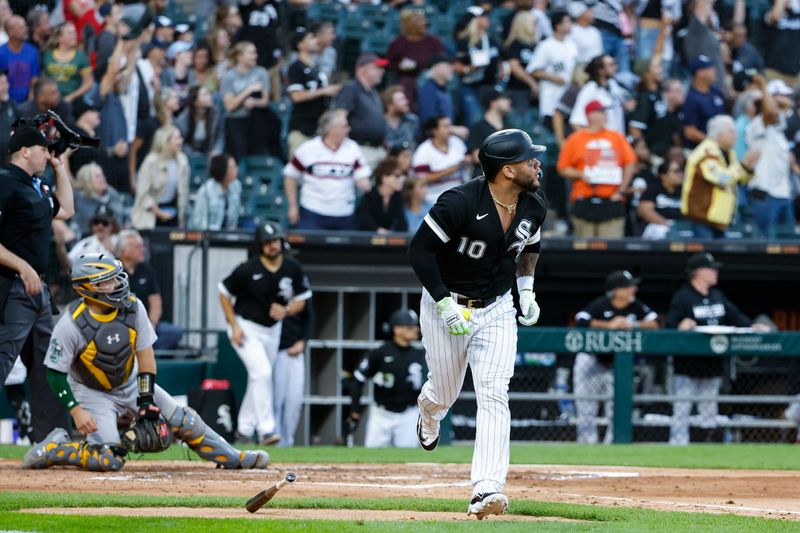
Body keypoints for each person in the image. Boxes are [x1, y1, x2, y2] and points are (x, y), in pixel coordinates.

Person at [21, 253, 269, 471]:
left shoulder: (133, 307)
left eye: (116, 278)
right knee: (107, 459)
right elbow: (54, 373)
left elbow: (146, 356)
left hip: (129, 381)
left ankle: (233, 457)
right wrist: (76, 410)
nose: (116, 284)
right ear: (87, 288)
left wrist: (147, 400)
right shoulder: (71, 323)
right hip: (91, 391)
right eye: (106, 281)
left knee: (185, 420)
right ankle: (57, 448)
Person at [408, 129, 547, 519]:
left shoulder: (534, 201)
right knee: (445, 392)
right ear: (506, 170)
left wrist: (527, 289)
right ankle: (429, 411)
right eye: (528, 159)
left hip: (498, 307)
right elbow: (419, 251)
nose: (536, 163)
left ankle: (486, 487)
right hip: (447, 303)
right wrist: (441, 301)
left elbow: (530, 244)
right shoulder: (459, 202)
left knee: (493, 392)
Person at [0, 124, 74, 442]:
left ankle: (54, 439)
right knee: (2, 359)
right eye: (45, 149)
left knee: (49, 366)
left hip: (38, 291)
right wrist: (22, 267)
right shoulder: (4, 182)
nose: (49, 154)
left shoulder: (38, 187)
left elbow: (67, 210)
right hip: (12, 287)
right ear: (25, 151)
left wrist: (60, 166)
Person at [219, 221, 312, 446]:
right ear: (261, 245)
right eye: (268, 242)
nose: (272, 245)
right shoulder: (248, 268)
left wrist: (287, 309)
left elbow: (302, 300)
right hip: (247, 327)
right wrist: (234, 325)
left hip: (273, 329)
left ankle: (243, 429)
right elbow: (223, 293)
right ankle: (266, 430)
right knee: (262, 373)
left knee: (258, 378)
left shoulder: (292, 268)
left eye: (276, 241)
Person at [666, 253, 770, 445]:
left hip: (712, 362)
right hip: (687, 364)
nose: (716, 272)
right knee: (682, 407)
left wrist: (752, 325)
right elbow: (670, 325)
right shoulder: (683, 296)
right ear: (699, 272)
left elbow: (735, 316)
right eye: (711, 269)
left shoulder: (717, 295)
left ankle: (707, 443)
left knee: (709, 407)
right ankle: (677, 444)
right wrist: (681, 324)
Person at [573, 270, 659, 444]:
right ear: (617, 290)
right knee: (586, 407)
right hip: (591, 361)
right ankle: (586, 445)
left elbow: (655, 323)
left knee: (617, 408)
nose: (633, 289)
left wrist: (632, 323)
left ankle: (612, 445)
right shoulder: (601, 304)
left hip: (617, 365)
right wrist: (609, 325)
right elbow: (580, 319)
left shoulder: (636, 306)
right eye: (629, 286)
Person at [557, 100, 637, 238]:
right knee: (584, 249)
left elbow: (630, 162)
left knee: (611, 249)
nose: (605, 115)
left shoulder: (616, 137)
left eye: (604, 112)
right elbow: (562, 168)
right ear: (590, 115)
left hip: (611, 199)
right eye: (600, 112)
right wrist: (581, 174)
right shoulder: (575, 139)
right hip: (584, 199)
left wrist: (622, 189)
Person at [349, 309, 426, 448]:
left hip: (409, 413)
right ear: (396, 329)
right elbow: (358, 380)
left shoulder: (420, 354)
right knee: (372, 456)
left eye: (416, 326)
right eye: (410, 327)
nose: (416, 330)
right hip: (381, 413)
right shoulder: (380, 353)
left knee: (407, 459)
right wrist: (355, 410)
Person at [284, 109, 372, 231]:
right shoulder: (309, 148)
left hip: (344, 214)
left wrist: (363, 182)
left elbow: (362, 174)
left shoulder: (352, 148)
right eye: (344, 126)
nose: (349, 129)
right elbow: (290, 175)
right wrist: (292, 206)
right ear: (331, 129)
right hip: (313, 211)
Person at [682, 115, 759, 239]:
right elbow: (722, 179)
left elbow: (739, 180)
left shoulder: (729, 153)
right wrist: (743, 164)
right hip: (704, 218)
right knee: (705, 256)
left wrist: (749, 167)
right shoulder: (706, 153)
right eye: (731, 132)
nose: (736, 136)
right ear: (719, 134)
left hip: (720, 220)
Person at [745, 78, 796, 238]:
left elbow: (787, 107)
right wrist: (763, 87)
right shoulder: (757, 124)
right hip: (765, 195)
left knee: (790, 246)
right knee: (767, 246)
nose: (780, 109)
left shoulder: (779, 128)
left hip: (783, 195)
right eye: (776, 103)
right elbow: (771, 113)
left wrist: (778, 99)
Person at [117, 230, 183, 351]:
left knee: (175, 332)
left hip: (145, 325)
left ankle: (145, 354)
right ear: (125, 251)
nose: (143, 250)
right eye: (138, 247)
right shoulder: (113, 272)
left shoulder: (146, 270)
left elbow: (156, 301)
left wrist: (151, 325)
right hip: (120, 325)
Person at [285, 27, 340, 158]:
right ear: (300, 45)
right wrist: (323, 91)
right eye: (311, 38)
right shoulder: (295, 67)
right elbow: (296, 96)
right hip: (302, 131)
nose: (316, 41)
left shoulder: (316, 67)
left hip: (318, 130)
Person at [334, 53, 388, 171]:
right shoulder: (351, 88)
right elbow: (339, 117)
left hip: (376, 150)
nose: (382, 72)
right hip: (359, 149)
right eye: (377, 68)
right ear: (363, 69)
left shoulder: (373, 92)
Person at [131, 125, 189, 229]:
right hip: (150, 214)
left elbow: (183, 192)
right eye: (177, 138)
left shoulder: (182, 161)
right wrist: (158, 212)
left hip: (172, 212)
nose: (181, 141)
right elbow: (142, 192)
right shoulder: (151, 162)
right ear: (165, 141)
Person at [386, 8, 445, 111]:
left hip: (429, 77)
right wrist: (400, 66)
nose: (423, 23)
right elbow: (388, 63)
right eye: (418, 21)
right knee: (406, 83)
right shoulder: (398, 42)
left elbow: (442, 60)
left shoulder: (433, 41)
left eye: (423, 20)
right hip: (407, 76)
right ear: (408, 24)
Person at [527, 11, 578, 130]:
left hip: (569, 101)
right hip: (551, 100)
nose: (570, 24)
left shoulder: (572, 45)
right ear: (558, 26)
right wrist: (554, 78)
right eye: (567, 22)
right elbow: (533, 70)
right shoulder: (546, 45)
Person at [220, 41, 270, 161]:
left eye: (255, 53)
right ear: (239, 56)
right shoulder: (229, 77)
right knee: (239, 156)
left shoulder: (261, 73)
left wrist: (254, 102)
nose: (255, 56)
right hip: (235, 121)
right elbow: (230, 106)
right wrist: (248, 90)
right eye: (251, 53)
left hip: (256, 120)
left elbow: (265, 101)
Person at [454, 6, 501, 127]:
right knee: (475, 121)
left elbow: (500, 58)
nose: (487, 19)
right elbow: (456, 65)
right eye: (483, 16)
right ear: (473, 20)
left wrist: (501, 69)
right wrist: (469, 68)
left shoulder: (490, 39)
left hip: (490, 87)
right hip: (472, 87)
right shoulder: (465, 41)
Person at [273, 302, 312, 447]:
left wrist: (304, 340)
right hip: (274, 350)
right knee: (276, 402)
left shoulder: (299, 288)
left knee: (294, 400)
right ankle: (274, 441)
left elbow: (309, 315)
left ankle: (287, 442)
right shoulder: (268, 286)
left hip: (294, 350)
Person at [412, 115, 470, 205]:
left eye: (450, 126)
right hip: (434, 199)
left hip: (460, 194)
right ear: (434, 130)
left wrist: (467, 162)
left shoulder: (457, 142)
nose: (449, 129)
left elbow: (467, 163)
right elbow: (420, 180)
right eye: (445, 126)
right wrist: (449, 170)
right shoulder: (423, 150)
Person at [570, 53, 632, 135]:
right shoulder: (589, 90)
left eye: (615, 63)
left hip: (617, 141)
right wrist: (589, 142)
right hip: (600, 143)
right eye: (611, 65)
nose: (615, 67)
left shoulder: (614, 84)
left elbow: (626, 103)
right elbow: (576, 122)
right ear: (600, 70)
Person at [71, 162, 125, 240]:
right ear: (87, 180)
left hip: (115, 239)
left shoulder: (113, 194)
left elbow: (121, 218)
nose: (102, 178)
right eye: (97, 176)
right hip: (85, 239)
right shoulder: (78, 198)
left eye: (102, 175)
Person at [42, 22, 93, 104]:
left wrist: (71, 97)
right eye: (70, 33)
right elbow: (42, 79)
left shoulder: (81, 56)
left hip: (73, 102)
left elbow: (89, 83)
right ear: (60, 38)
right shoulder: (48, 54)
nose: (74, 36)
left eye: (74, 32)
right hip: (50, 101)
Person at [189, 153, 242, 231]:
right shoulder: (205, 191)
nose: (236, 169)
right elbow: (200, 224)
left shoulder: (236, 186)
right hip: (209, 237)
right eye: (232, 167)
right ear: (223, 170)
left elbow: (234, 219)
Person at [682, 55, 725, 149]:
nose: (714, 70)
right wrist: (712, 142)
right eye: (710, 68)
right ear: (700, 73)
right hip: (700, 150)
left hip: (718, 147)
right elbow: (689, 131)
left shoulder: (716, 92)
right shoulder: (691, 98)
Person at [356, 158, 408, 233]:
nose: (402, 179)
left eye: (403, 175)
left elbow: (402, 222)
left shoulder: (398, 197)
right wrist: (379, 230)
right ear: (384, 177)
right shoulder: (370, 195)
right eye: (397, 175)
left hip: (389, 240)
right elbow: (364, 219)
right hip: (367, 239)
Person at [467, 88, 512, 174]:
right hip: (485, 177)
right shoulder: (478, 127)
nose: (509, 101)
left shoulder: (510, 127)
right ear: (493, 103)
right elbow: (476, 156)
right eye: (504, 98)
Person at [502, 10, 539, 115]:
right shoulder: (515, 44)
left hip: (532, 90)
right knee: (521, 121)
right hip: (517, 90)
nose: (535, 26)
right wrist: (532, 82)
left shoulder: (534, 44)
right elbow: (514, 67)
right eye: (533, 23)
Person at [638, 160, 685, 240]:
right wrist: (667, 224)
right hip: (659, 226)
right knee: (661, 231)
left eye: (681, 171)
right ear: (663, 175)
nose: (680, 175)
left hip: (682, 227)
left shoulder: (685, 191)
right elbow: (644, 210)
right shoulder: (653, 189)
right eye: (676, 171)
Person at [175, 85, 224, 157]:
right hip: (190, 156)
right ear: (195, 102)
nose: (210, 97)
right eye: (205, 95)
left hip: (210, 154)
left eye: (209, 93)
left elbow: (220, 135)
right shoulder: (183, 119)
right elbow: (183, 142)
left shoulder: (215, 114)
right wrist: (196, 156)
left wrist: (216, 151)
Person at [0, 15, 39, 103]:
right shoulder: (1, 53)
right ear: (10, 32)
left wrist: (30, 102)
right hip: (5, 102)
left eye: (25, 26)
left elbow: (34, 79)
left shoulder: (33, 51)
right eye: (21, 27)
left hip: (27, 102)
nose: (25, 29)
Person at [382, 84, 419, 151]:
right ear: (389, 105)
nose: (406, 102)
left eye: (404, 99)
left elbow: (413, 144)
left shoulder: (412, 120)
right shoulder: (380, 123)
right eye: (400, 100)